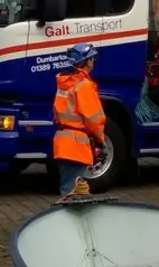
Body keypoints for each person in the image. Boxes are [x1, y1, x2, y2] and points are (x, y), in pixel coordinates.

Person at [53, 43, 107, 201]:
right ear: (87, 61)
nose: (93, 61)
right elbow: (94, 119)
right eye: (92, 58)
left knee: (70, 188)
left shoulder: (65, 83)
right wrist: (100, 140)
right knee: (72, 193)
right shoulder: (84, 86)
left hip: (63, 142)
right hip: (76, 145)